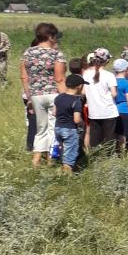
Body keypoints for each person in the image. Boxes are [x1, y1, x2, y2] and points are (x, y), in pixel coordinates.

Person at [19, 22, 66, 168]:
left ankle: (36, 161)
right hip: (53, 94)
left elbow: (24, 77)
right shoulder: (56, 54)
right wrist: (66, 98)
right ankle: (53, 159)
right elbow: (59, 79)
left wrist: (29, 96)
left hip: (36, 95)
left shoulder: (28, 53)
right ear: (49, 36)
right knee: (53, 128)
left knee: (41, 129)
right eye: (55, 36)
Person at [82, 48, 119, 152]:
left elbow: (83, 92)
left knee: (95, 139)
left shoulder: (86, 74)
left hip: (94, 112)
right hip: (109, 111)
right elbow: (114, 94)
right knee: (110, 139)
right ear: (106, 61)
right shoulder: (109, 75)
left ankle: (95, 158)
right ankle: (109, 159)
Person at [53, 74, 85, 175]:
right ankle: (68, 180)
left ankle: (62, 170)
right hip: (70, 129)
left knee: (63, 150)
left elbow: (54, 113)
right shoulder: (77, 101)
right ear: (79, 86)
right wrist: (82, 123)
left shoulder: (58, 97)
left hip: (58, 128)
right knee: (69, 157)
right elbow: (76, 120)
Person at [112, 58, 128, 151]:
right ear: (126, 70)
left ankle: (116, 149)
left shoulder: (112, 82)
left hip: (114, 109)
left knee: (116, 132)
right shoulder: (126, 83)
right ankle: (121, 151)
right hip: (125, 110)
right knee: (123, 133)